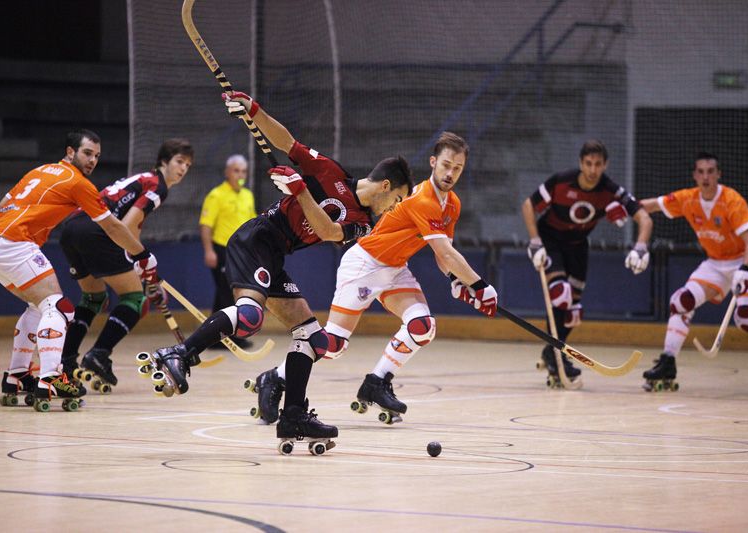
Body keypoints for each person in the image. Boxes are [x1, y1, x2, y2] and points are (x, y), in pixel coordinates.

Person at [143, 91, 413, 448]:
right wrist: (254, 110)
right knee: (250, 316)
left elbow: (329, 231)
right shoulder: (330, 171)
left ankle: (293, 417)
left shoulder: (364, 222)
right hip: (255, 239)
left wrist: (300, 191)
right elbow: (287, 142)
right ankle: (179, 353)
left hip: (276, 255)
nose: (394, 208)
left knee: (312, 338)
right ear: (385, 186)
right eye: (396, 200)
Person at [250, 132, 498, 425]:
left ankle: (376, 382)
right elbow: (443, 250)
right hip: (364, 264)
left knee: (422, 326)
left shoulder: (451, 204)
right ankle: (276, 377)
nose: (450, 173)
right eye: (446, 165)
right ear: (433, 162)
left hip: (394, 269)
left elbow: (445, 255)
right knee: (333, 344)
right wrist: (480, 285)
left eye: (457, 168)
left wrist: (457, 281)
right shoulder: (422, 199)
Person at [0, 129, 159, 410]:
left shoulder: (39, 171)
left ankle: (17, 375)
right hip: (13, 243)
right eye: (87, 153)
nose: (92, 160)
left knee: (38, 308)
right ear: (70, 152)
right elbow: (111, 226)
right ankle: (51, 378)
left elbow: (2, 204)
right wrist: (142, 255)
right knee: (59, 306)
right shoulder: (78, 183)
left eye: (97, 156)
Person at [59, 138, 194, 390]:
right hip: (97, 231)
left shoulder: (143, 179)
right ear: (164, 161)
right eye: (179, 161)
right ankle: (98, 354)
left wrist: (139, 265)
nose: (183, 168)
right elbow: (129, 225)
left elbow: (131, 231)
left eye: (188, 164)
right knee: (135, 299)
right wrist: (140, 265)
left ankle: (65, 362)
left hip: (72, 229)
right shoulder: (157, 186)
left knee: (93, 298)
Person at [521, 139, 653, 387]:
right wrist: (535, 241)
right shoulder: (562, 181)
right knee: (560, 294)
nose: (593, 170)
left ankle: (552, 351)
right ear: (581, 163)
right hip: (550, 239)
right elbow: (529, 205)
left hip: (578, 246)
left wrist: (641, 246)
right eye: (589, 164)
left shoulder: (610, 190)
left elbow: (644, 218)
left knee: (573, 313)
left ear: (606, 165)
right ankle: (555, 354)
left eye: (598, 164)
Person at [640, 152, 748, 392]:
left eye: (711, 171)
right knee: (681, 300)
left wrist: (745, 269)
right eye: (701, 172)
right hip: (716, 263)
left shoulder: (732, 200)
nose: (706, 177)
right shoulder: (688, 199)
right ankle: (667, 362)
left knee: (746, 316)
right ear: (694, 175)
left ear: (719, 174)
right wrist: (620, 207)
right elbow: (652, 205)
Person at [199, 154, 257, 349]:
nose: (240, 174)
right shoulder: (216, 195)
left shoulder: (247, 195)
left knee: (228, 293)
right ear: (227, 172)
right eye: (236, 170)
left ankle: (215, 336)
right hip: (222, 249)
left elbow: (252, 223)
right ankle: (230, 337)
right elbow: (206, 225)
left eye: (243, 171)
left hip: (242, 251)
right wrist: (209, 251)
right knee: (228, 292)